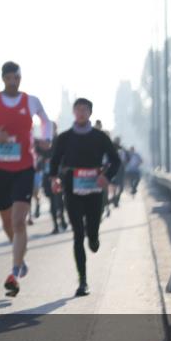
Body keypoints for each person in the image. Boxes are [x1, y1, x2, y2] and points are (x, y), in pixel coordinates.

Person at [0, 62, 52, 297]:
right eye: (8, 78)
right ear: (2, 79)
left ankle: (15, 272)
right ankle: (20, 258)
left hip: (23, 167)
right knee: (8, 222)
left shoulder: (31, 101)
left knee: (19, 221)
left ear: (20, 77)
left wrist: (46, 138)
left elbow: (46, 121)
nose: (12, 81)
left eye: (16, 77)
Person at [49, 98, 121, 296]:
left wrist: (106, 176)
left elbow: (116, 160)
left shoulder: (99, 137)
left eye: (84, 110)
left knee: (92, 235)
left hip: (95, 189)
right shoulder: (65, 138)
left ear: (90, 112)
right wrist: (54, 179)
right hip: (72, 188)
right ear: (73, 112)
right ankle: (83, 281)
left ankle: (95, 238)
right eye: (78, 109)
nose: (81, 113)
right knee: (78, 234)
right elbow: (54, 161)